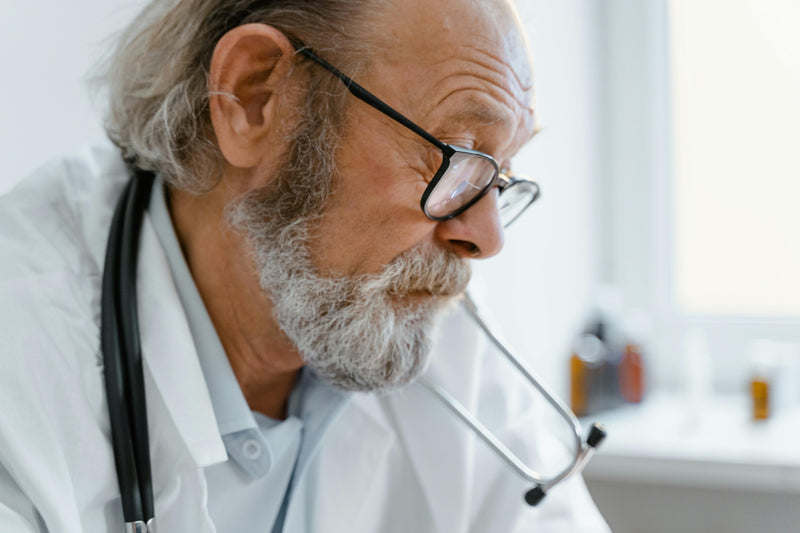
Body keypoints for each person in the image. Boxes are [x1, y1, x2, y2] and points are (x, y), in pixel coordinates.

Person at [0, 0, 610, 531]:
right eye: (458, 157)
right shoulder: (22, 353)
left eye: (498, 177)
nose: (486, 237)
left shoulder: (427, 325)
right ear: (256, 96)